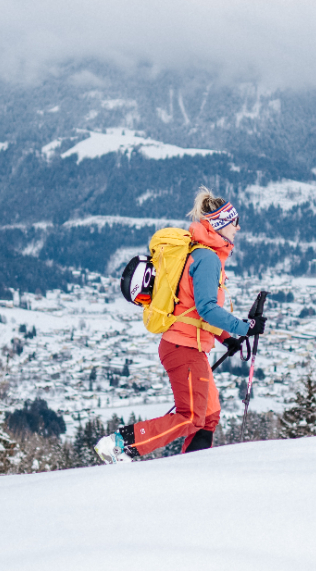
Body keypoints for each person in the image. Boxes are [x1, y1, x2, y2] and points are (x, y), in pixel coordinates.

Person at [98, 189, 259, 462]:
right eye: (234, 223)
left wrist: (225, 338)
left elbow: (192, 309)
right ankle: (119, 444)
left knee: (208, 416)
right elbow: (208, 309)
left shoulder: (202, 254)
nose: (238, 228)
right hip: (184, 348)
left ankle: (192, 468)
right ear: (221, 224)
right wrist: (244, 328)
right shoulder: (207, 258)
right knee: (191, 416)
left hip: (186, 346)